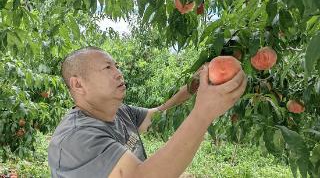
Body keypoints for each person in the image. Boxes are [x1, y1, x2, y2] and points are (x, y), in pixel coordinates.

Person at [48, 46, 247, 178]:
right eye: (108, 67)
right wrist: (203, 113)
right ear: (78, 84)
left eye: (116, 66)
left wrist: (193, 86)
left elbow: (160, 114)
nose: (119, 73)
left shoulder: (121, 112)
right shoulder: (75, 138)